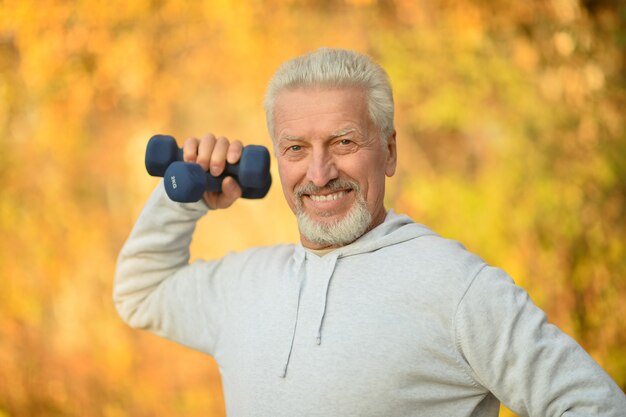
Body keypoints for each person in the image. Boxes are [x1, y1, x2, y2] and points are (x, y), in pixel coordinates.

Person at [114, 48, 626, 416]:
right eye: (295, 148)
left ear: (390, 151)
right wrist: (183, 197)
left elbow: (592, 405)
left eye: (343, 141)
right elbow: (141, 294)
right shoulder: (245, 285)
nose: (318, 173)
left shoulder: (456, 287)